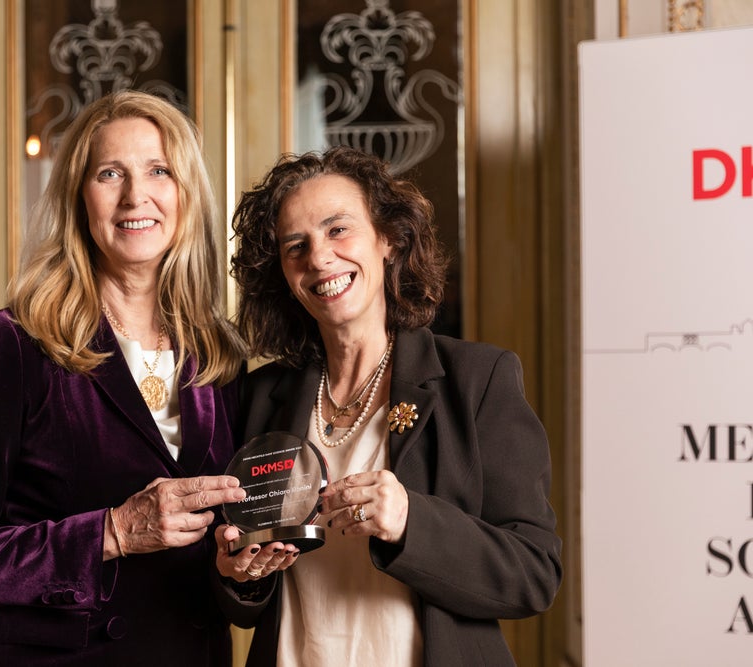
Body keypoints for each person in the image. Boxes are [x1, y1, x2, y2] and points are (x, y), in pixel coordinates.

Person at [0, 90, 248, 666]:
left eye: (159, 170)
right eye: (110, 173)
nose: (135, 195)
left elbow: (225, 560)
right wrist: (113, 532)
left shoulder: (220, 355)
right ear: (79, 198)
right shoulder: (18, 342)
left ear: (186, 195)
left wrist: (241, 568)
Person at [214, 146, 562, 666]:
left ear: (389, 240)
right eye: (295, 245)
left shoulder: (477, 380)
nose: (319, 258)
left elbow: (533, 575)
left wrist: (409, 521)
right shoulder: (260, 395)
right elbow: (243, 604)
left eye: (337, 230)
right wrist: (237, 574)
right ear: (282, 274)